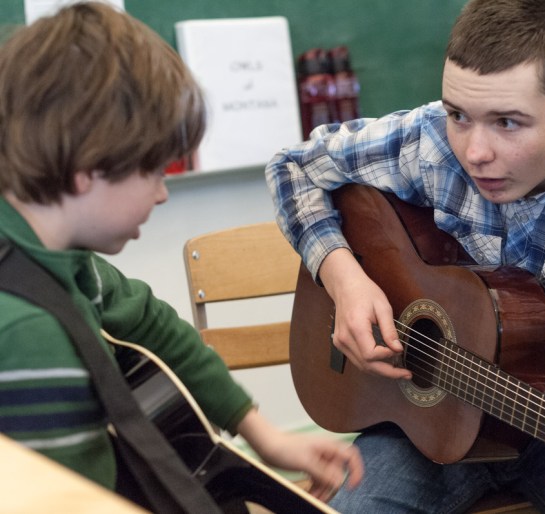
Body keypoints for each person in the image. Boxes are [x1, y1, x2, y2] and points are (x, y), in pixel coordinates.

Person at [266, 0, 545, 512]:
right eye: (458, 115)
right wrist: (343, 278)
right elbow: (294, 167)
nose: (474, 151)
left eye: (508, 123)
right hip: (425, 427)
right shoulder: (429, 141)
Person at [0, 2, 362, 510]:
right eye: (153, 171)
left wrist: (263, 435)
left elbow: (155, 326)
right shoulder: (30, 339)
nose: (162, 194)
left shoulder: (62, 263)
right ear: (89, 168)